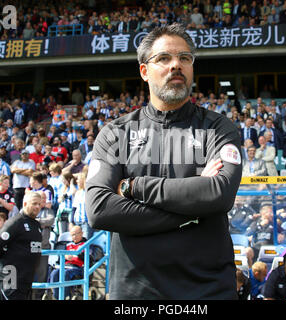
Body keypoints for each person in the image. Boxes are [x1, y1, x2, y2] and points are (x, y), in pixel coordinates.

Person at [85, 23, 242, 300]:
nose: (176, 65)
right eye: (164, 58)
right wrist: (193, 209)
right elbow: (99, 210)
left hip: (208, 289)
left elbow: (219, 194)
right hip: (135, 291)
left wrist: (135, 187)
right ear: (144, 71)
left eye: (185, 58)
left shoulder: (218, 128)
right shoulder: (116, 133)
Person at [0, 191, 43, 300]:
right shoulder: (16, 222)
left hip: (26, 278)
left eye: (39, 204)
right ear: (25, 204)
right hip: (11, 277)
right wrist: (3, 259)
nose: (37, 207)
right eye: (34, 203)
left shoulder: (36, 225)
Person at [48, 225, 86, 300]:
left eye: (76, 234)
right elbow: (60, 258)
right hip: (65, 266)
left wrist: (77, 254)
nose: (74, 236)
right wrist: (65, 256)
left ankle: (64, 296)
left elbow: (88, 257)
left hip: (77, 267)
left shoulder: (86, 244)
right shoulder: (68, 245)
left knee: (65, 274)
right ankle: (56, 297)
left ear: (82, 233)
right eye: (72, 235)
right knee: (54, 273)